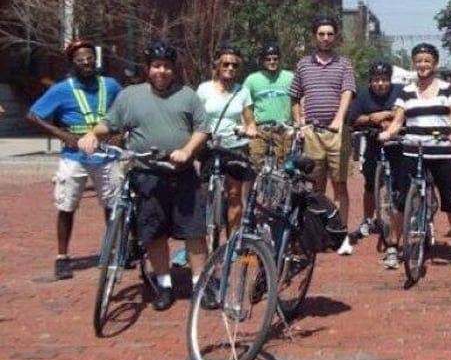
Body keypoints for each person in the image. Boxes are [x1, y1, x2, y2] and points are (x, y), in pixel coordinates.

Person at [78, 40, 212, 311]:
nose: (161, 71)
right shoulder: (130, 96)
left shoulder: (188, 95)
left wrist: (187, 150)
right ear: (148, 69)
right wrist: (92, 135)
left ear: (174, 70)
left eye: (166, 67)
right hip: (146, 174)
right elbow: (110, 123)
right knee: (154, 232)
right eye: (156, 66)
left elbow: (202, 129)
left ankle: (201, 284)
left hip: (181, 173)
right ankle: (163, 284)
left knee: (194, 232)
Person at [26, 39, 122, 281]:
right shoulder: (62, 89)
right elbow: (33, 115)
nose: (87, 62)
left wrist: (121, 135)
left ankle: (112, 251)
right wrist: (63, 135)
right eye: (80, 59)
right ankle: (62, 257)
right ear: (72, 63)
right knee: (66, 206)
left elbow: (125, 109)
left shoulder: (110, 85)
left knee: (113, 206)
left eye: (90, 57)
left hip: (106, 154)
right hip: (74, 156)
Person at [378, 43, 451, 269]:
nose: (423, 65)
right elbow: (399, 121)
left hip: (440, 152)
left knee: (450, 200)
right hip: (412, 150)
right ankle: (393, 247)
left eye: (427, 60)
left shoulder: (448, 89)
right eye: (419, 61)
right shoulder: (406, 91)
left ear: (435, 63)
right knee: (401, 201)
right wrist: (388, 133)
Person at [290, 16, 357, 255]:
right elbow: (295, 96)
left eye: (330, 34)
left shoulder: (344, 64)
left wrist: (339, 119)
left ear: (335, 36)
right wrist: (299, 122)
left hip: (336, 133)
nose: (326, 38)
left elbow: (347, 91)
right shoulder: (303, 65)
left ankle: (341, 236)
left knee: (340, 185)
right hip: (312, 133)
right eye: (321, 34)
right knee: (315, 187)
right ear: (314, 36)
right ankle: (318, 233)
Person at [346, 59, 405, 268]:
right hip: (373, 143)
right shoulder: (363, 95)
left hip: (397, 144)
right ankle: (368, 219)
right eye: (376, 80)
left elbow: (407, 111)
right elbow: (352, 118)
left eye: (384, 80)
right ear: (371, 81)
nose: (380, 84)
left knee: (400, 185)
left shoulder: (401, 91)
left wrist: (389, 115)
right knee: (370, 183)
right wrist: (372, 118)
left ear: (390, 80)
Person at [196, 45, 257, 233]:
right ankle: (203, 238)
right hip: (210, 145)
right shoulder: (204, 89)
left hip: (235, 146)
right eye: (226, 64)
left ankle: (233, 242)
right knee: (204, 193)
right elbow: (195, 117)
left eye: (234, 65)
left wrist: (250, 130)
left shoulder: (242, 92)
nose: (230, 68)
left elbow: (250, 121)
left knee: (234, 194)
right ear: (218, 65)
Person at [242, 42, 294, 166]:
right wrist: (249, 125)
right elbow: (245, 104)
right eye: (268, 59)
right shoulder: (252, 80)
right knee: (255, 164)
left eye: (275, 59)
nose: (272, 62)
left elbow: (299, 101)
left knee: (286, 165)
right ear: (263, 61)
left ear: (279, 60)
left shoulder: (290, 77)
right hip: (261, 129)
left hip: (284, 128)